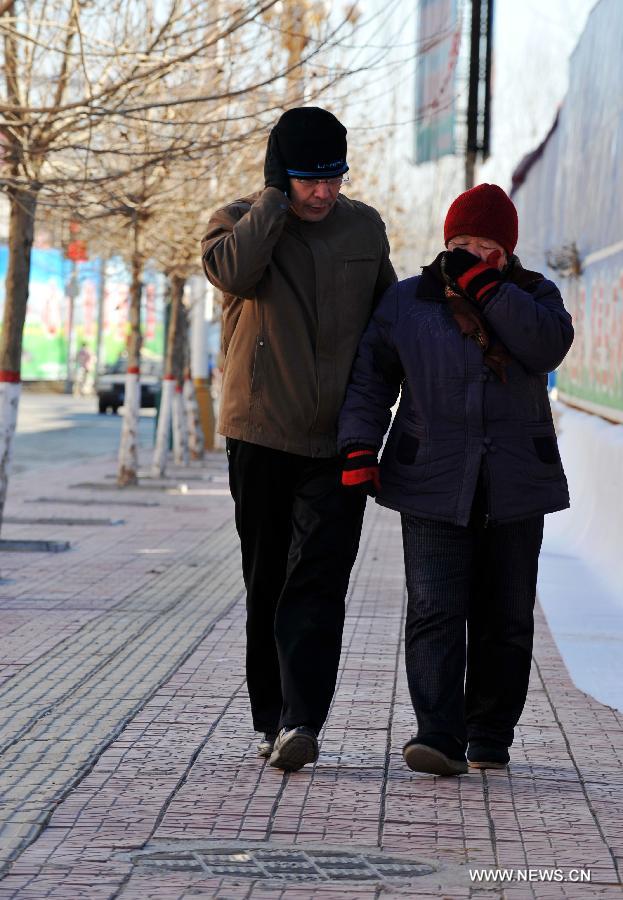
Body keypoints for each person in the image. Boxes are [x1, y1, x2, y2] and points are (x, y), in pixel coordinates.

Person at [338, 183, 574, 776]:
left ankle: (490, 733)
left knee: (507, 616)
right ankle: (438, 736)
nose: (470, 253)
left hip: (515, 482)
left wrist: (489, 291)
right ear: (446, 242)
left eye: (485, 245)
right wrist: (359, 445)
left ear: (507, 251)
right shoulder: (408, 300)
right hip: (431, 478)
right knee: (435, 610)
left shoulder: (535, 295)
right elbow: (371, 377)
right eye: (461, 243)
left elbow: (547, 348)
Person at [200, 107, 396, 771]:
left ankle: (301, 721)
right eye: (309, 180)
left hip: (338, 439)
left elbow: (386, 324)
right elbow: (231, 274)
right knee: (268, 578)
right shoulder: (237, 222)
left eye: (333, 178)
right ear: (282, 176)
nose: (324, 192)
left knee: (318, 579)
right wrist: (271, 204)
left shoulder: (364, 227)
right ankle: (270, 718)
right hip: (259, 433)